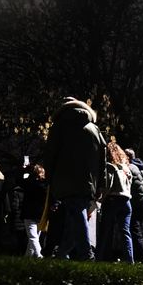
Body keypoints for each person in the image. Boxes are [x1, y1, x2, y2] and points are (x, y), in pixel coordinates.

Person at [44, 98, 106, 261]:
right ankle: (61, 253)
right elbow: (102, 160)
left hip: (65, 178)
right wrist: (101, 184)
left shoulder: (59, 127)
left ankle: (86, 254)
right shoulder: (94, 128)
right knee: (76, 215)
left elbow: (50, 155)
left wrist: (49, 178)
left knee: (76, 213)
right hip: (89, 181)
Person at [96, 141, 134, 263]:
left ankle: (99, 258)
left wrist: (101, 199)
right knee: (125, 232)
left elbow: (108, 185)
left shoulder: (110, 166)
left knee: (105, 230)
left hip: (113, 199)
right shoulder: (126, 168)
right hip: (127, 201)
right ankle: (129, 260)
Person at [125, 148, 143, 262]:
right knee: (136, 229)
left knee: (134, 231)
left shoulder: (130, 168)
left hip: (135, 202)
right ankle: (138, 258)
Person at [20, 163, 47, 258]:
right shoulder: (45, 184)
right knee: (35, 236)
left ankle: (39, 255)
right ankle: (28, 255)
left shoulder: (29, 183)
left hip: (29, 212)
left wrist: (23, 170)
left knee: (32, 237)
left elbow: (18, 180)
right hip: (41, 213)